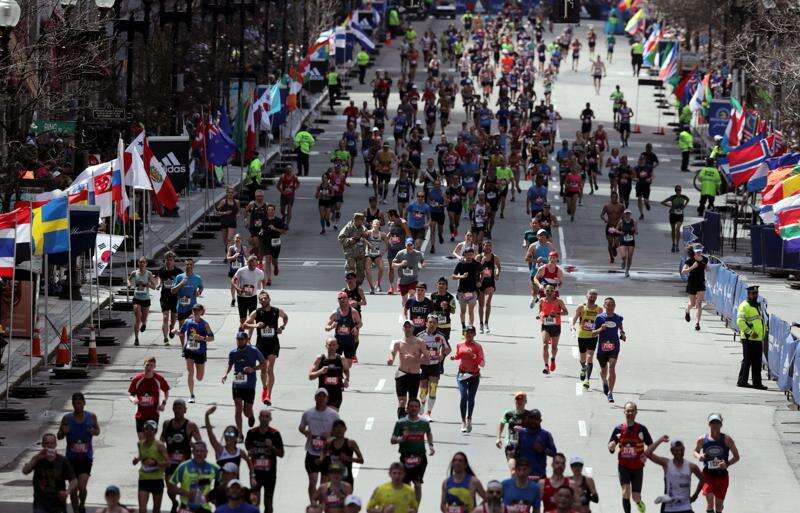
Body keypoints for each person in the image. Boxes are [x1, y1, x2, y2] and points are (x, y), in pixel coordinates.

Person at [56, 392, 99, 513]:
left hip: (86, 457)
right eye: (75, 404)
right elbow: (59, 436)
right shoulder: (67, 418)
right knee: (73, 489)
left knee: (81, 486)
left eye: (79, 403)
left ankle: (82, 505)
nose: (77, 406)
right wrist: (64, 432)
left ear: (84, 403)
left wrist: (93, 431)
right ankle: (76, 511)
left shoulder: (91, 417)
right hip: (71, 458)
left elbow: (98, 431)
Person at [243, 291, 288, 405]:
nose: (263, 300)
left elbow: (286, 317)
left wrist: (282, 327)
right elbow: (245, 325)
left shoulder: (277, 311)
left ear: (269, 299)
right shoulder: (256, 312)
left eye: (264, 298)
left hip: (273, 343)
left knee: (269, 368)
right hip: (261, 344)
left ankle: (268, 395)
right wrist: (255, 325)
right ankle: (264, 388)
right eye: (261, 299)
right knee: (263, 369)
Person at [607, 402, 653, 513]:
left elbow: (650, 444)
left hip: (637, 468)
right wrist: (612, 446)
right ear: (624, 412)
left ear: (636, 412)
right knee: (625, 492)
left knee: (636, 496)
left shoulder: (642, 429)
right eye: (628, 411)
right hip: (624, 467)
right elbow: (611, 447)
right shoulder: (619, 429)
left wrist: (646, 454)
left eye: (632, 410)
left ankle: (640, 504)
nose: (630, 413)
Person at [299, 389, 341, 501]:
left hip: (327, 454)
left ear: (327, 399)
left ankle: (321, 506)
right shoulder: (308, 414)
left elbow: (340, 433)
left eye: (324, 397)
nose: (321, 399)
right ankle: (313, 504)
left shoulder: (334, 415)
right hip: (312, 453)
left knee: (324, 484)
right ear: (315, 398)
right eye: (319, 396)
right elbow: (301, 427)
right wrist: (306, 432)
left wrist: (331, 436)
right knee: (312, 481)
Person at [161, 399, 203, 511]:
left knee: (185, 489)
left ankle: (183, 507)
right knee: (170, 489)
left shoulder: (190, 425)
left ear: (185, 410)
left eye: (180, 408)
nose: (177, 410)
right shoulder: (166, 424)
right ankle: (174, 502)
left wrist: (193, 445)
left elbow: (200, 444)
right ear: (172, 409)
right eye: (175, 407)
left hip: (185, 463)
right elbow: (161, 442)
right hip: (170, 463)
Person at [694, 413, 740, 513]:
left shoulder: (727, 440)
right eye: (712, 422)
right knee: (710, 501)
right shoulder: (702, 439)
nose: (715, 425)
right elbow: (695, 451)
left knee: (718, 508)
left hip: (722, 476)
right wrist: (699, 456)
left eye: (717, 422)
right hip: (707, 474)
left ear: (721, 424)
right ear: (709, 424)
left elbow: (737, 457)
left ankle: (720, 506)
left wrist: (726, 464)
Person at [391, 398, 435, 502]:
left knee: (418, 484)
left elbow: (428, 432)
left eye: (416, 406)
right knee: (406, 485)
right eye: (411, 406)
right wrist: (402, 439)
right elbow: (392, 440)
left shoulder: (424, 423)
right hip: (405, 457)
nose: (414, 408)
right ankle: (406, 506)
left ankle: (415, 508)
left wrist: (431, 445)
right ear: (407, 408)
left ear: (419, 409)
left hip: (420, 457)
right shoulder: (401, 423)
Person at [644, 436, 704, 512]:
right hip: (668, 508)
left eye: (681, 450)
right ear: (672, 451)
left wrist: (695, 496)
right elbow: (647, 453)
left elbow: (702, 479)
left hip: (685, 507)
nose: (679, 452)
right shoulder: (666, 463)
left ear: (684, 449)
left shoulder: (692, 466)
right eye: (676, 450)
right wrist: (660, 440)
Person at [222, 331, 265, 434]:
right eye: (238, 340)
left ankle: (250, 415)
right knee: (238, 408)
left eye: (241, 340)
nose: (239, 342)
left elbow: (264, 364)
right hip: (237, 383)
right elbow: (230, 364)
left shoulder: (254, 350)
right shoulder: (233, 352)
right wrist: (225, 374)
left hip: (249, 385)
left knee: (246, 412)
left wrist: (253, 369)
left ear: (246, 340)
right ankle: (240, 433)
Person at [22, 433, 77, 513]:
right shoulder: (37, 459)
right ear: (43, 445)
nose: (49, 445)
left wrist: (67, 492)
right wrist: (37, 458)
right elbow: (25, 471)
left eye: (52, 443)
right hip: (40, 502)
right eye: (47, 443)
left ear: (55, 444)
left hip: (58, 503)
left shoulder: (62, 460)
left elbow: (74, 480)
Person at [245, 408, 284, 513]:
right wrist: (251, 451)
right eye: (262, 416)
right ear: (259, 418)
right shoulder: (252, 432)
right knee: (254, 501)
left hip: (270, 474)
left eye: (267, 416)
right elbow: (248, 448)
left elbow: (281, 454)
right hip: (255, 473)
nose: (264, 419)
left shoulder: (275, 434)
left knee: (268, 502)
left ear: (270, 419)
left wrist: (272, 448)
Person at [167, 441, 221, 513]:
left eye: (202, 451)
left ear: (206, 452)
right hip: (185, 507)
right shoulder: (183, 466)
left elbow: (224, 484)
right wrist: (188, 494)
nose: (199, 453)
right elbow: (171, 486)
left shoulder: (214, 468)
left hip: (204, 507)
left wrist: (212, 497)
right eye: (197, 451)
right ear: (193, 452)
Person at [388, 320, 427, 418]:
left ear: (413, 328)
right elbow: (392, 353)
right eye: (405, 327)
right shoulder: (398, 343)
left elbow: (428, 359)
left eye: (409, 327)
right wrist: (391, 359)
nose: (407, 329)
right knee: (401, 401)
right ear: (403, 329)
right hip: (402, 374)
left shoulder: (420, 342)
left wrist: (414, 359)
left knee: (412, 402)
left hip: (415, 375)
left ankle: (410, 422)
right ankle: (401, 422)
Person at [451, 325, 485, 433]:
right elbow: (458, 355)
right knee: (463, 396)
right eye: (467, 332)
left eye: (471, 333)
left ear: (474, 334)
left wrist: (473, 355)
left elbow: (482, 363)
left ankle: (469, 418)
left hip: (474, 375)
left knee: (471, 398)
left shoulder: (478, 347)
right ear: (464, 334)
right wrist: (454, 357)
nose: (469, 335)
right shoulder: (460, 344)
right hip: (462, 374)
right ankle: (463, 421)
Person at [592, 297, 626, 402]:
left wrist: (622, 334)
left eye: (612, 305)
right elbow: (593, 334)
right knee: (603, 370)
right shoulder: (599, 318)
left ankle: (610, 393)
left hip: (614, 346)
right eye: (608, 305)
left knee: (612, 367)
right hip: (602, 348)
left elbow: (620, 328)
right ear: (604, 306)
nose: (610, 307)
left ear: (614, 306)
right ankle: (604, 382)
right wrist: (600, 329)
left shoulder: (618, 318)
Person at [179, 304, 214, 403]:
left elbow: (212, 338)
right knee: (190, 372)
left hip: (200, 351)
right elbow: (181, 333)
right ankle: (192, 395)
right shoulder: (187, 322)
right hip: (189, 350)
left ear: (202, 312)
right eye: (194, 310)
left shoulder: (205, 324)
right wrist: (174, 331)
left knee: (199, 377)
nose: (196, 311)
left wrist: (202, 338)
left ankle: (199, 375)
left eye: (198, 310)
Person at [129, 356, 170, 439]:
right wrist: (134, 399)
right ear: (144, 365)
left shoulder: (158, 378)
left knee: (150, 440)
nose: (149, 367)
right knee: (142, 441)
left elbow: (166, 390)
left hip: (153, 415)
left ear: (154, 367)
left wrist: (163, 403)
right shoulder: (137, 379)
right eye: (147, 365)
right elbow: (131, 395)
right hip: (140, 415)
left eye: (151, 365)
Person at [133, 419, 169, 513]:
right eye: (146, 429)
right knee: (142, 509)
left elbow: (168, 462)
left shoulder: (160, 445)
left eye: (151, 429)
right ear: (144, 431)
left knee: (156, 510)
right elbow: (142, 455)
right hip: (143, 479)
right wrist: (137, 459)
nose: (149, 432)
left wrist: (156, 463)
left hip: (157, 479)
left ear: (155, 431)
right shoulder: (140, 443)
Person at [418, 315, 450, 419]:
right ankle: (422, 403)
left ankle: (428, 413)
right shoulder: (420, 336)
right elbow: (414, 349)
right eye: (430, 322)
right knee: (423, 390)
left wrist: (442, 354)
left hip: (435, 365)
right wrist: (420, 357)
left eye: (434, 323)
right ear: (426, 323)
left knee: (432, 389)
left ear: (437, 324)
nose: (432, 325)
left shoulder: (441, 336)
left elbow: (448, 349)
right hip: (423, 366)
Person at [735, 285, 767, 389]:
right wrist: (750, 332)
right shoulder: (744, 306)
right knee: (747, 361)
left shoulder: (756, 305)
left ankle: (757, 383)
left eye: (756, 293)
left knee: (757, 363)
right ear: (748, 294)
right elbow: (740, 322)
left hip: (757, 338)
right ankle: (742, 381)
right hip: (749, 338)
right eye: (753, 293)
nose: (755, 295)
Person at [572, 289, 602, 389]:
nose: (592, 297)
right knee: (582, 359)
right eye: (591, 295)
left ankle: (587, 380)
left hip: (593, 336)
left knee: (590, 358)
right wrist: (572, 325)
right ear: (587, 296)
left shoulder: (599, 309)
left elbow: (601, 321)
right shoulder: (581, 307)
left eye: (595, 296)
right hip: (582, 336)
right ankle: (583, 368)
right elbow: (575, 317)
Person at [516, 409, 557, 481]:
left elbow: (554, 453)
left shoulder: (546, 435)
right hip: (523, 476)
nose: (533, 421)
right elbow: (516, 452)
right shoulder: (521, 433)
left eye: (536, 419)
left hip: (539, 477)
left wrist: (543, 449)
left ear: (540, 420)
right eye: (531, 418)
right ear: (528, 419)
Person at [323, 420, 364, 487]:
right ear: (333, 430)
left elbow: (361, 460)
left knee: (345, 497)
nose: (339, 430)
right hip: (332, 478)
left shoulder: (351, 443)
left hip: (346, 478)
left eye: (341, 427)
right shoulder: (329, 443)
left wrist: (348, 458)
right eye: (336, 428)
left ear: (345, 429)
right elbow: (323, 455)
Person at [309, 337, 348, 410]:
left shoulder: (341, 359)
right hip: (323, 394)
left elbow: (346, 370)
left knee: (331, 416)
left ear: (337, 346)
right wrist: (320, 371)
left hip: (336, 395)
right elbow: (310, 376)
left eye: (334, 345)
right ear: (326, 346)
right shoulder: (320, 359)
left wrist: (346, 379)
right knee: (323, 417)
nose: (332, 347)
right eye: (330, 345)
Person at [538, 284, 568, 374]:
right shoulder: (542, 300)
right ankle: (546, 366)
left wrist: (557, 313)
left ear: (554, 292)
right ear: (544, 291)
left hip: (556, 326)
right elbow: (540, 311)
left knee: (554, 347)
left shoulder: (559, 301)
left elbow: (566, 312)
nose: (549, 292)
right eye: (547, 290)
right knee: (544, 345)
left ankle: (553, 359)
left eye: (551, 291)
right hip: (545, 325)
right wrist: (540, 315)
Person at [496, 392, 528, 471]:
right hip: (511, 445)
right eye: (517, 399)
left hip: (525, 446)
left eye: (522, 400)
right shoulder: (508, 414)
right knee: (513, 469)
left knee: (523, 471)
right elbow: (501, 425)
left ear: (525, 401)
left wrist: (523, 430)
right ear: (514, 401)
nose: (519, 402)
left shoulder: (529, 415)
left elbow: (535, 430)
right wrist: (498, 438)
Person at [129, 256, 157, 346]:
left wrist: (148, 284)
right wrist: (129, 284)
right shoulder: (134, 272)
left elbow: (154, 286)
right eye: (140, 262)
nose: (142, 264)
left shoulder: (149, 274)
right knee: (138, 318)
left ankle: (144, 323)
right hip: (136, 298)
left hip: (146, 299)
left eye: (143, 262)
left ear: (146, 264)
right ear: (138, 263)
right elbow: (128, 280)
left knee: (143, 318)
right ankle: (136, 339)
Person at [232, 255, 267, 325]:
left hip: (253, 298)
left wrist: (263, 289)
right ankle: (242, 332)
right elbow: (233, 280)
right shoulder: (241, 270)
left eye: (254, 265)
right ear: (248, 263)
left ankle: (249, 335)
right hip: (241, 297)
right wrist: (237, 288)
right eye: (251, 265)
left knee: (252, 318)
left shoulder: (259, 272)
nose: (253, 267)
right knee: (243, 319)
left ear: (256, 264)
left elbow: (264, 280)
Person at [392, 237, 427, 307]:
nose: (409, 246)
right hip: (403, 280)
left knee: (411, 294)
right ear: (405, 245)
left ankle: (410, 311)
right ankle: (405, 310)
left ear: (413, 245)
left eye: (411, 245)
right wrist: (401, 264)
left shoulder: (418, 254)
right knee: (404, 300)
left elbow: (423, 261)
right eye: (408, 245)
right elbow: (393, 265)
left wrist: (423, 264)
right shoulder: (401, 253)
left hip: (413, 279)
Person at [452, 247, 481, 330]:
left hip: (473, 291)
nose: (469, 256)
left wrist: (480, 282)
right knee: (463, 311)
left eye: (471, 254)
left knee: (471, 311)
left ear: (473, 255)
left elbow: (482, 272)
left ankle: (470, 328)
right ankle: (463, 326)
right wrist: (461, 276)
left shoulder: (477, 264)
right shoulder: (460, 264)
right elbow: (453, 276)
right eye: (467, 254)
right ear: (464, 255)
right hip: (462, 291)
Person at [171, 258, 203, 331]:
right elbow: (173, 291)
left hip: (192, 307)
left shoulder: (197, 278)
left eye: (190, 264)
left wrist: (198, 292)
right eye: (187, 264)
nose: (189, 266)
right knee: (182, 329)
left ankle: (189, 342)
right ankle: (183, 343)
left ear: (193, 266)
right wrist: (181, 283)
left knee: (192, 328)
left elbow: (201, 287)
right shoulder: (179, 277)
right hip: (181, 307)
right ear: (185, 266)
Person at [157, 252, 182, 346]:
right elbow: (160, 280)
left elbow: (182, 283)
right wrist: (159, 285)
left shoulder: (178, 272)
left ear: (173, 261)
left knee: (174, 317)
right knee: (165, 317)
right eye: (167, 260)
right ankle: (165, 338)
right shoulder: (161, 270)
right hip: (165, 297)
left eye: (170, 260)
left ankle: (172, 327)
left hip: (175, 297)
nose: (168, 261)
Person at [681, 246, 708, 331]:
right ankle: (687, 310)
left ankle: (697, 323)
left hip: (701, 283)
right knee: (692, 304)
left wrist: (709, 269)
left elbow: (706, 268)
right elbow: (683, 272)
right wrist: (692, 267)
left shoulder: (705, 259)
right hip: (692, 283)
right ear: (694, 252)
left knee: (699, 304)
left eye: (700, 251)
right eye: (697, 251)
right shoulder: (689, 260)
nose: (699, 253)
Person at [477, 240, 501, 334]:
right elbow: (474, 269)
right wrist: (481, 264)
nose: (488, 248)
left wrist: (497, 274)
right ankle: (481, 324)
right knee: (481, 304)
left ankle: (486, 323)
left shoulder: (494, 257)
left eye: (489, 246)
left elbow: (499, 266)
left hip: (490, 283)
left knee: (488, 302)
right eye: (486, 246)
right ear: (483, 247)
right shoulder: (479, 257)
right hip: (480, 283)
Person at [338, 212, 368, 286]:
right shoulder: (348, 228)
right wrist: (350, 240)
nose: (361, 222)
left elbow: (369, 237)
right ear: (355, 220)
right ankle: (350, 286)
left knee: (361, 274)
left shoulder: (363, 228)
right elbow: (341, 238)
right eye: (360, 220)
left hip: (360, 254)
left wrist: (367, 235)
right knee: (350, 271)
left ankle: (356, 286)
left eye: (362, 220)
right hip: (350, 253)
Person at [662, 186, 690, 253]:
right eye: (677, 190)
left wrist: (685, 206)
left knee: (678, 229)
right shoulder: (672, 197)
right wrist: (670, 206)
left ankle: (677, 245)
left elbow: (688, 199)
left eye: (679, 190)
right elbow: (662, 202)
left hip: (680, 215)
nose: (678, 192)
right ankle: (673, 244)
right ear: (675, 191)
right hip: (672, 215)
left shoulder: (683, 197)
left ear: (681, 190)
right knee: (673, 230)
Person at [600, 192, 625, 264]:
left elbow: (625, 215)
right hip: (610, 226)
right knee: (610, 243)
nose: (615, 199)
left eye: (616, 197)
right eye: (613, 197)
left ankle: (614, 249)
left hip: (618, 227)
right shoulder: (607, 206)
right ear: (611, 198)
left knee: (617, 243)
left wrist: (622, 221)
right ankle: (611, 256)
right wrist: (605, 219)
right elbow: (601, 215)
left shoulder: (621, 206)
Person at [613, 209, 637, 277]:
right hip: (623, 240)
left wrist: (634, 230)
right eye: (626, 214)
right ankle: (623, 261)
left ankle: (627, 271)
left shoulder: (633, 221)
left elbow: (637, 232)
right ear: (624, 214)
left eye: (629, 214)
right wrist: (620, 232)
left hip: (631, 241)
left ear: (630, 214)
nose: (627, 215)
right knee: (624, 256)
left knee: (629, 257)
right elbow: (616, 230)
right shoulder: (621, 222)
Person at [216, 187, 239, 252]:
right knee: (225, 240)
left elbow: (238, 211)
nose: (230, 194)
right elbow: (216, 212)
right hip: (224, 222)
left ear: (234, 193)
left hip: (232, 222)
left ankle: (228, 255)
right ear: (226, 193)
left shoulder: (237, 202)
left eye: (232, 192)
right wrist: (224, 213)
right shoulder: (223, 202)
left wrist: (237, 215)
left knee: (229, 239)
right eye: (229, 192)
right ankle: (228, 251)